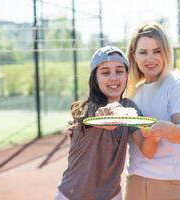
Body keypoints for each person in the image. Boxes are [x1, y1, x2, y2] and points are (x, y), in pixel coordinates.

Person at [55, 46, 157, 200]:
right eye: (105, 72)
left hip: (111, 195)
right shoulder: (87, 108)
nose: (113, 78)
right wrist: (112, 112)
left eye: (119, 71)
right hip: (71, 195)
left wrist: (154, 132)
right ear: (94, 77)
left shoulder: (129, 107)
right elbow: (102, 121)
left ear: (127, 75)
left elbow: (148, 151)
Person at [123, 22, 180, 200]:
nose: (150, 58)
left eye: (157, 51)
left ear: (166, 52)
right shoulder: (132, 92)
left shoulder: (178, 84)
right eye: (143, 52)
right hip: (135, 182)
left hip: (172, 184)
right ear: (133, 55)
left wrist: (164, 129)